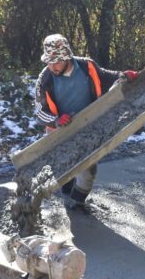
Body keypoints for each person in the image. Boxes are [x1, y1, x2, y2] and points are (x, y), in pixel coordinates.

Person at [34, 34, 137, 209]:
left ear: (67, 57)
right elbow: (39, 112)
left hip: (88, 126)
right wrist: (56, 120)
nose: (52, 66)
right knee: (65, 166)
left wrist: (124, 75)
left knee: (87, 170)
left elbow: (107, 76)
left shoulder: (86, 66)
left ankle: (76, 203)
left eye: (56, 61)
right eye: (49, 62)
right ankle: (66, 195)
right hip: (60, 129)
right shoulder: (45, 80)